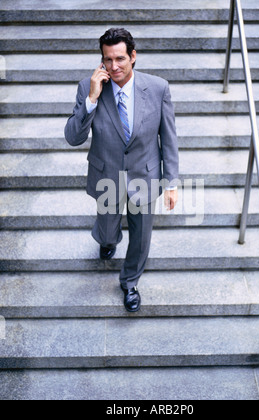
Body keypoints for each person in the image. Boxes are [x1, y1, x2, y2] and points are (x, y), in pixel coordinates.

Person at [65, 28, 179, 312]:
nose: (113, 66)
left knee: (141, 238)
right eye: (107, 60)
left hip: (145, 175)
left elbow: (169, 137)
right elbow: (73, 137)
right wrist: (91, 99)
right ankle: (107, 240)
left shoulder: (157, 88)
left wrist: (172, 182)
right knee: (106, 231)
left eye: (120, 59)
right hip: (107, 176)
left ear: (133, 57)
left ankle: (130, 282)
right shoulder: (88, 87)